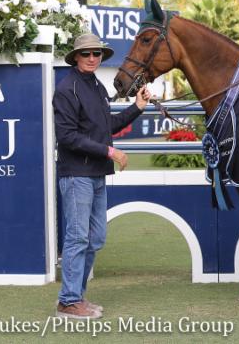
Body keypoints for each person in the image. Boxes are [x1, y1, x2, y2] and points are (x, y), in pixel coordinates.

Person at [53, 33, 150, 319]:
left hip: (95, 174)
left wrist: (138, 106)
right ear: (76, 57)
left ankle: (75, 297)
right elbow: (67, 137)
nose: (93, 58)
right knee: (77, 238)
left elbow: (108, 124)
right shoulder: (66, 89)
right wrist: (110, 152)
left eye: (97, 53)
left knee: (95, 238)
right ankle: (69, 301)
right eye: (87, 54)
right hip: (76, 176)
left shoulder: (96, 86)